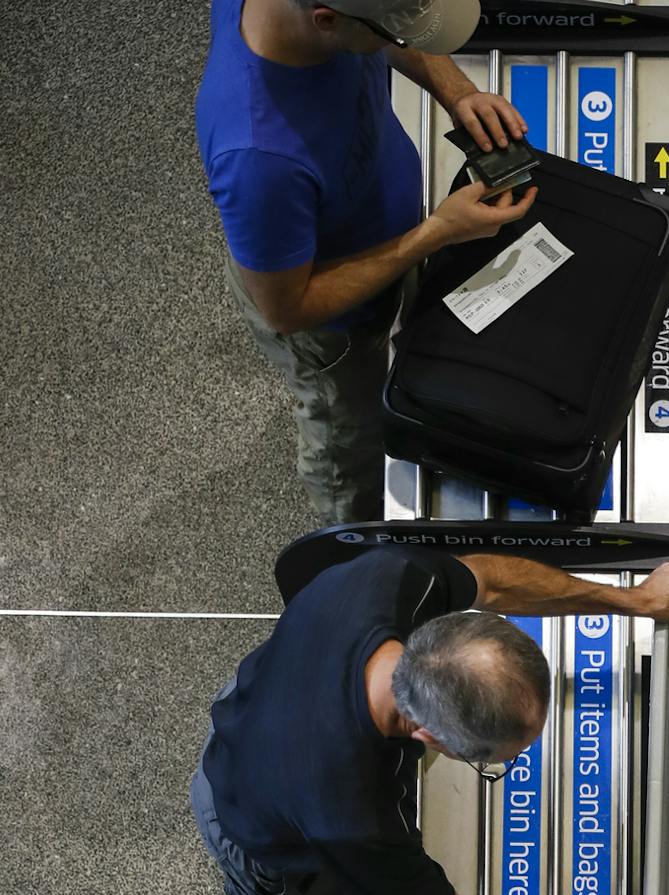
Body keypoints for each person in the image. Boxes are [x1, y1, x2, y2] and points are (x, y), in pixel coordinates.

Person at [191, 543, 669, 895]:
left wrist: (632, 599)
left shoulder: (396, 578)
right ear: (425, 734)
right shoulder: (353, 817)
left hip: (268, 686)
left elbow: (491, 580)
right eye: (501, 759)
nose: (517, 761)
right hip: (248, 813)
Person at [196, 0, 533, 522]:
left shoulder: (328, 18)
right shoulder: (258, 161)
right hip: (331, 324)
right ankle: (352, 551)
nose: (401, 43)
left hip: (383, 229)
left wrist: (459, 93)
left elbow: (394, 36)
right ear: (327, 19)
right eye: (391, 33)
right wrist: (436, 233)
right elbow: (289, 308)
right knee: (346, 443)